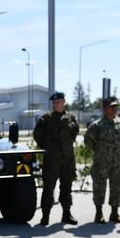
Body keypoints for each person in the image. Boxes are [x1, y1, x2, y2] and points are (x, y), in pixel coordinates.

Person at [84, 96, 120, 223]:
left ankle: (114, 213)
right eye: (112, 106)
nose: (115, 108)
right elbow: (88, 141)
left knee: (116, 187)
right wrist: (101, 151)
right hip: (101, 162)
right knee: (99, 187)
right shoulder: (97, 125)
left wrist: (117, 151)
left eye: (116, 106)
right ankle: (98, 213)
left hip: (118, 162)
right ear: (105, 108)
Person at [33, 91, 79, 225]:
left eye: (58, 102)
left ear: (64, 102)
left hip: (67, 160)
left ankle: (66, 214)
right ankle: (45, 215)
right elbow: (38, 136)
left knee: (66, 188)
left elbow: (74, 134)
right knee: (48, 188)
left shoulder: (71, 118)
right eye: (54, 102)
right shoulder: (45, 119)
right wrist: (49, 147)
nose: (55, 104)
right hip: (51, 160)